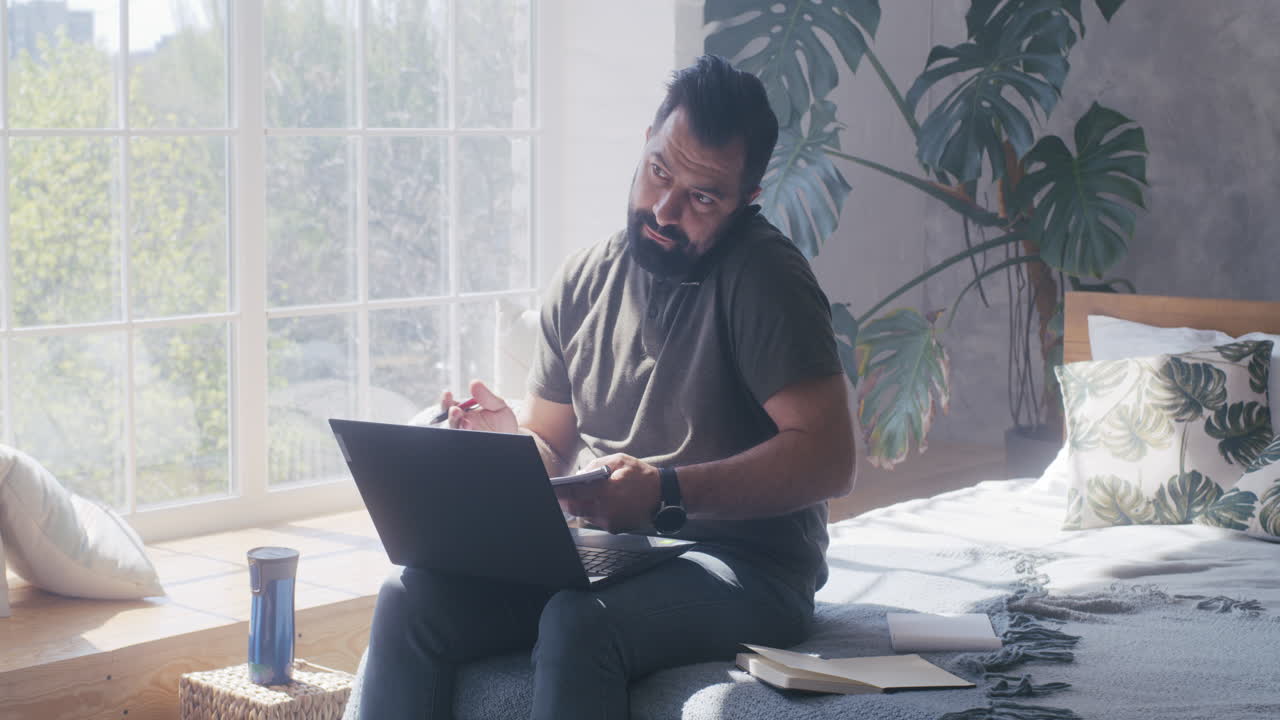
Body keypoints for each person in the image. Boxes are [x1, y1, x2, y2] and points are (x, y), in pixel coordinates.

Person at [360, 54, 855, 720]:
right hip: (611, 555)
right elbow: (551, 447)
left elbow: (829, 456)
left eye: (702, 198)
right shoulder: (584, 278)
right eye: (658, 172)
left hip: (751, 568)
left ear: (747, 203)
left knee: (578, 622)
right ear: (646, 145)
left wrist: (666, 494)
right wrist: (501, 449)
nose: (664, 207)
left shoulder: (766, 280)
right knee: (408, 597)